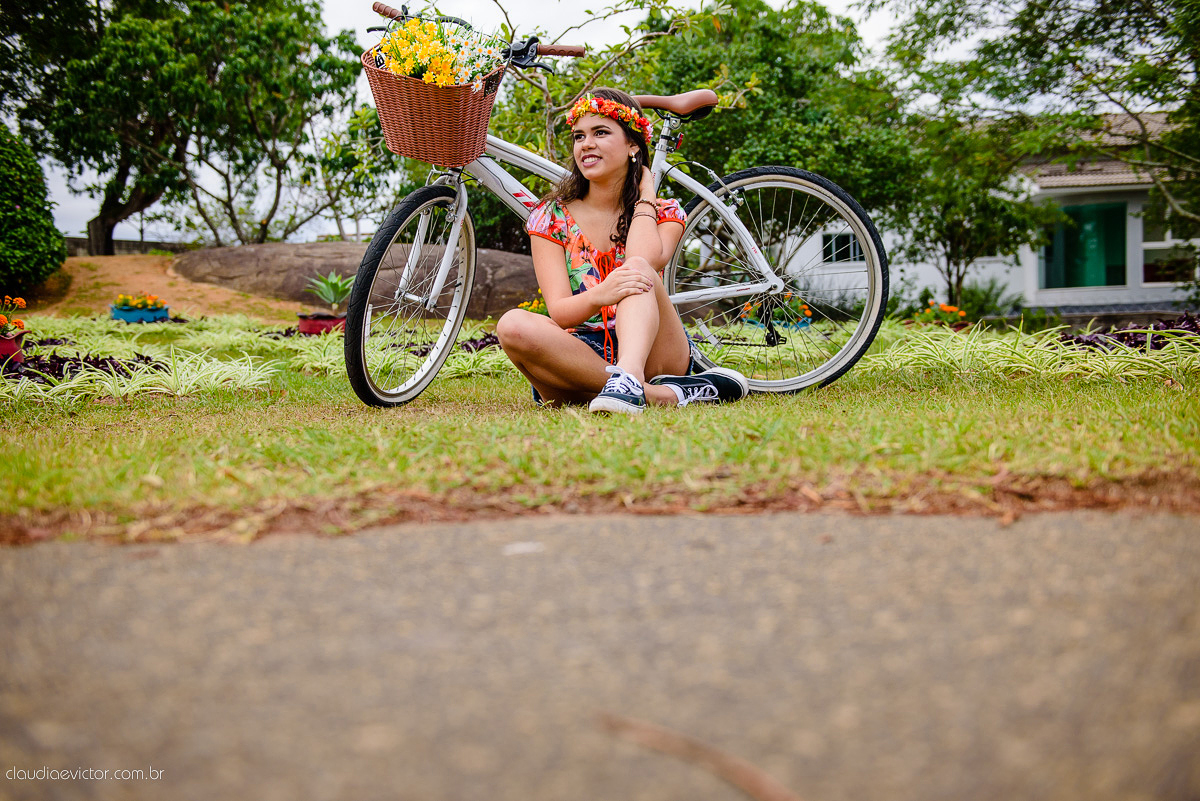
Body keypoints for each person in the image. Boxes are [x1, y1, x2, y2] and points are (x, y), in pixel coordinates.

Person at [495, 88, 749, 414]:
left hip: (657, 350)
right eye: (579, 136)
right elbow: (560, 312)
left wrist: (645, 193)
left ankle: (629, 377)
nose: (586, 143)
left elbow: (645, 260)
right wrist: (601, 294)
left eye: (600, 132)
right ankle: (663, 396)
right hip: (581, 354)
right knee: (512, 325)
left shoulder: (666, 212)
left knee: (637, 268)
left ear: (633, 144)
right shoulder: (550, 216)